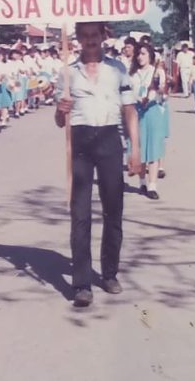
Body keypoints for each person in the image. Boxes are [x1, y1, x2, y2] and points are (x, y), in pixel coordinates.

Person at [55, 21, 141, 308]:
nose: (90, 40)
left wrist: (135, 150)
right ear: (78, 39)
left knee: (113, 209)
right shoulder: (68, 73)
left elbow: (129, 110)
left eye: (95, 35)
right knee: (79, 213)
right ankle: (81, 284)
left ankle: (109, 273)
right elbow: (60, 121)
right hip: (80, 142)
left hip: (109, 139)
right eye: (85, 36)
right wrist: (61, 110)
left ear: (103, 37)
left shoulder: (117, 69)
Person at [129, 43, 167, 200]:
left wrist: (159, 90)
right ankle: (142, 182)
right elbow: (128, 93)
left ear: (150, 55)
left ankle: (152, 185)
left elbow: (163, 93)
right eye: (138, 54)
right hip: (137, 111)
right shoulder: (132, 74)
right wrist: (138, 98)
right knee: (140, 148)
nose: (140, 57)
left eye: (143, 53)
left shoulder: (157, 71)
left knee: (153, 149)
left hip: (153, 111)